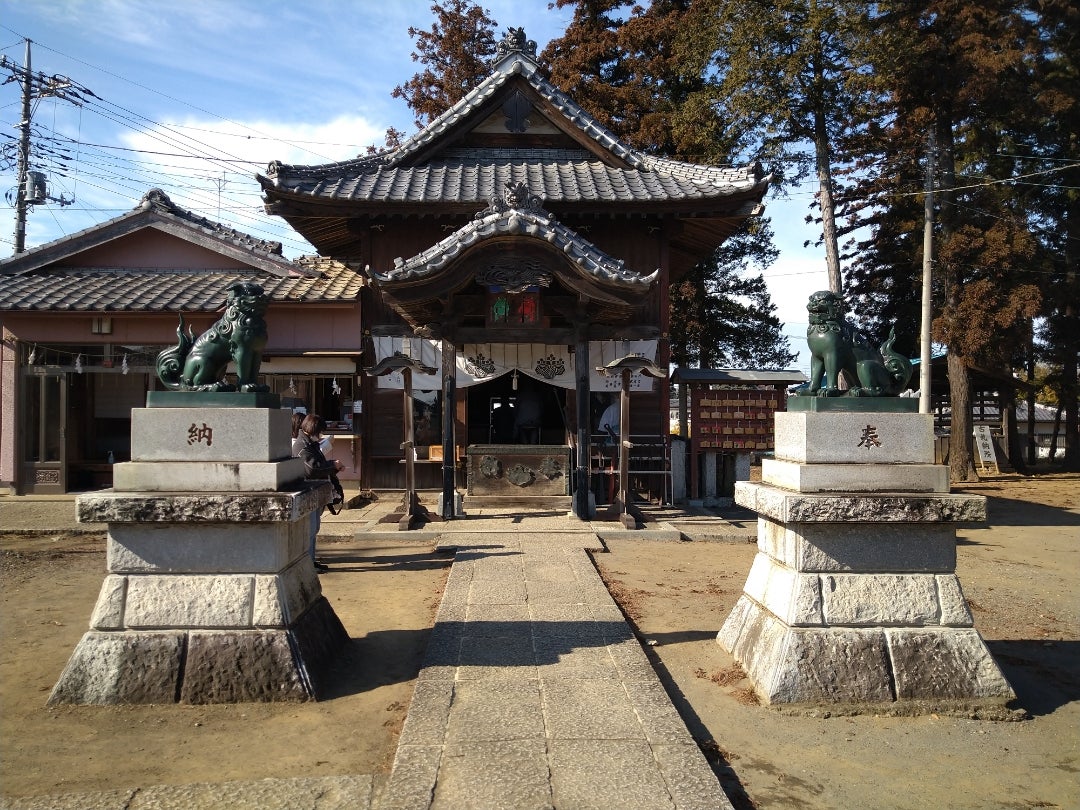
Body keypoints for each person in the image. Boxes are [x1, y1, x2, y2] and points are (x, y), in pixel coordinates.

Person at [297, 413, 344, 573]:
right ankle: (309, 562)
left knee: (314, 528)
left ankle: (312, 560)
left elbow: (318, 466)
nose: (321, 435)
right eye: (320, 432)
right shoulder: (302, 446)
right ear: (314, 429)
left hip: (315, 490)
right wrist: (332, 465)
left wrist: (332, 467)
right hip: (308, 489)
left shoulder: (310, 444)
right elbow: (312, 469)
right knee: (310, 529)